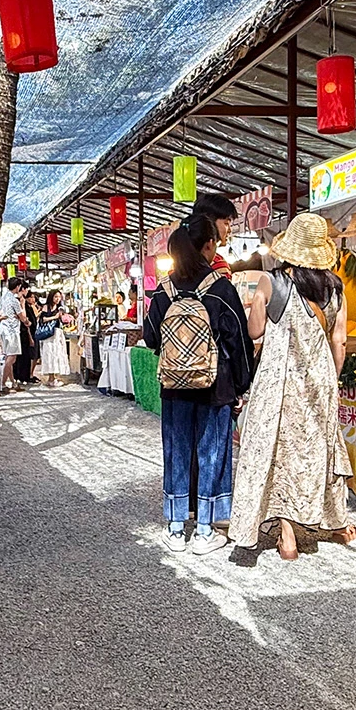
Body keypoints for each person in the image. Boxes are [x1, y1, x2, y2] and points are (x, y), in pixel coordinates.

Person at [229, 213, 353, 561]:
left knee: (276, 453)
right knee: (315, 452)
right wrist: (333, 378)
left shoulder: (271, 283)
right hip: (319, 382)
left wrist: (257, 307)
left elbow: (255, 332)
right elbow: (339, 340)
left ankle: (287, 536)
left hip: (277, 383)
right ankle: (326, 519)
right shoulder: (336, 288)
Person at [144, 215, 252, 555]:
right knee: (212, 453)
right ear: (208, 245)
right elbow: (239, 343)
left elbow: (150, 337)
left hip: (175, 386)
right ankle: (205, 530)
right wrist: (241, 385)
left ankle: (176, 529)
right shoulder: (221, 289)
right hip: (214, 386)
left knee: (177, 451)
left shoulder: (164, 291)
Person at [189, 193, 239, 275]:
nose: (229, 230)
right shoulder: (218, 266)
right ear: (210, 222)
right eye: (226, 223)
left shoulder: (181, 260)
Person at [0, 276, 24, 394]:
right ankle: (1, 384)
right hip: (13, 331)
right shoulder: (15, 301)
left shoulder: (4, 298)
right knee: (11, 358)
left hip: (5, 330)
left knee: (9, 357)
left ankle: (13, 382)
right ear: (17, 287)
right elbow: (23, 317)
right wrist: (23, 304)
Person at [38, 290, 72, 385]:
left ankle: (54, 377)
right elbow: (42, 320)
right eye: (55, 297)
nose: (57, 299)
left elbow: (62, 320)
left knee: (57, 354)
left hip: (57, 333)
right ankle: (51, 378)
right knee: (49, 354)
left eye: (59, 297)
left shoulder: (60, 308)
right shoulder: (46, 307)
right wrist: (55, 317)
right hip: (48, 334)